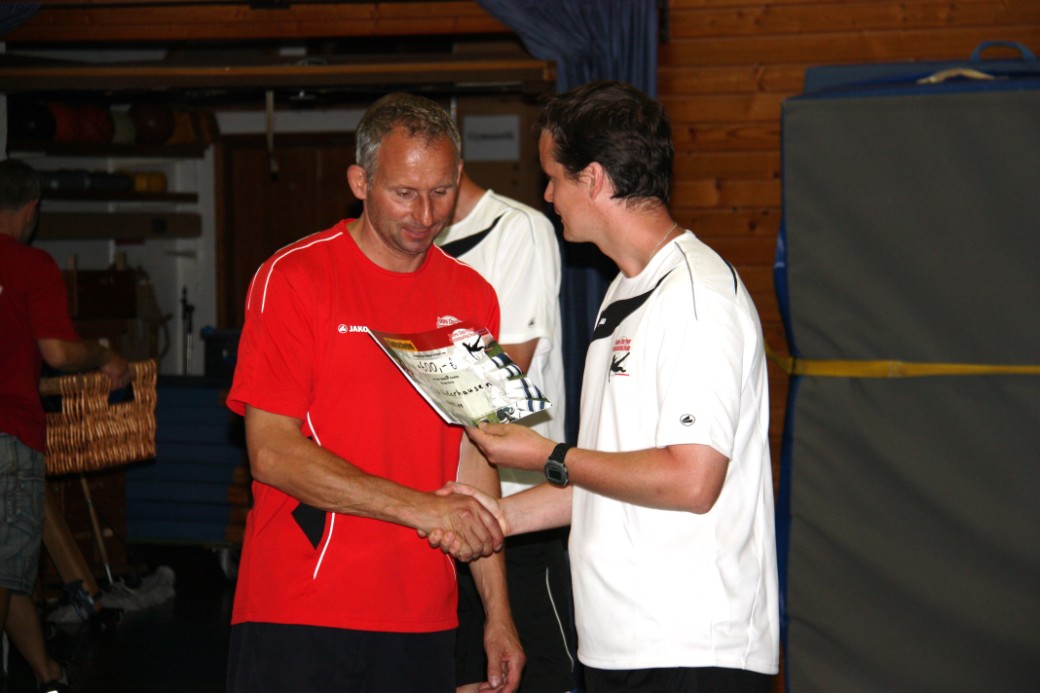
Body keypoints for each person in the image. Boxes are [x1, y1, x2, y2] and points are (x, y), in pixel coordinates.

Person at [437, 81, 780, 692]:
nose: (547, 195)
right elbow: (607, 480)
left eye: (554, 178)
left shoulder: (697, 298)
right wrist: (492, 519)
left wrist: (549, 454)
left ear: (593, 179)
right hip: (616, 642)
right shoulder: (624, 289)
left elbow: (691, 480)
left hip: (691, 645)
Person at [224, 93, 524, 692]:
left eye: (441, 191)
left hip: (424, 614)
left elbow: (477, 459)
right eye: (404, 192)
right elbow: (272, 453)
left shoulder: (474, 297)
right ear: (360, 182)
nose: (425, 213)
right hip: (300, 607)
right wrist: (422, 508)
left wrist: (498, 614)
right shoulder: (294, 278)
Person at [437, 171, 576, 693]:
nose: (419, 208)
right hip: (446, 501)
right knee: (466, 671)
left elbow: (505, 375)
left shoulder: (518, 228)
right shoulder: (413, 241)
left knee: (534, 670)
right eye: (403, 190)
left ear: (452, 167)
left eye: (430, 187)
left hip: (522, 501)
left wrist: (415, 364)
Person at [1, 157, 130, 693]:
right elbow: (56, 352)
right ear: (32, 209)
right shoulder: (32, 266)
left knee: (11, 576)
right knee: (5, 571)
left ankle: (47, 673)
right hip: (9, 436)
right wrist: (104, 356)